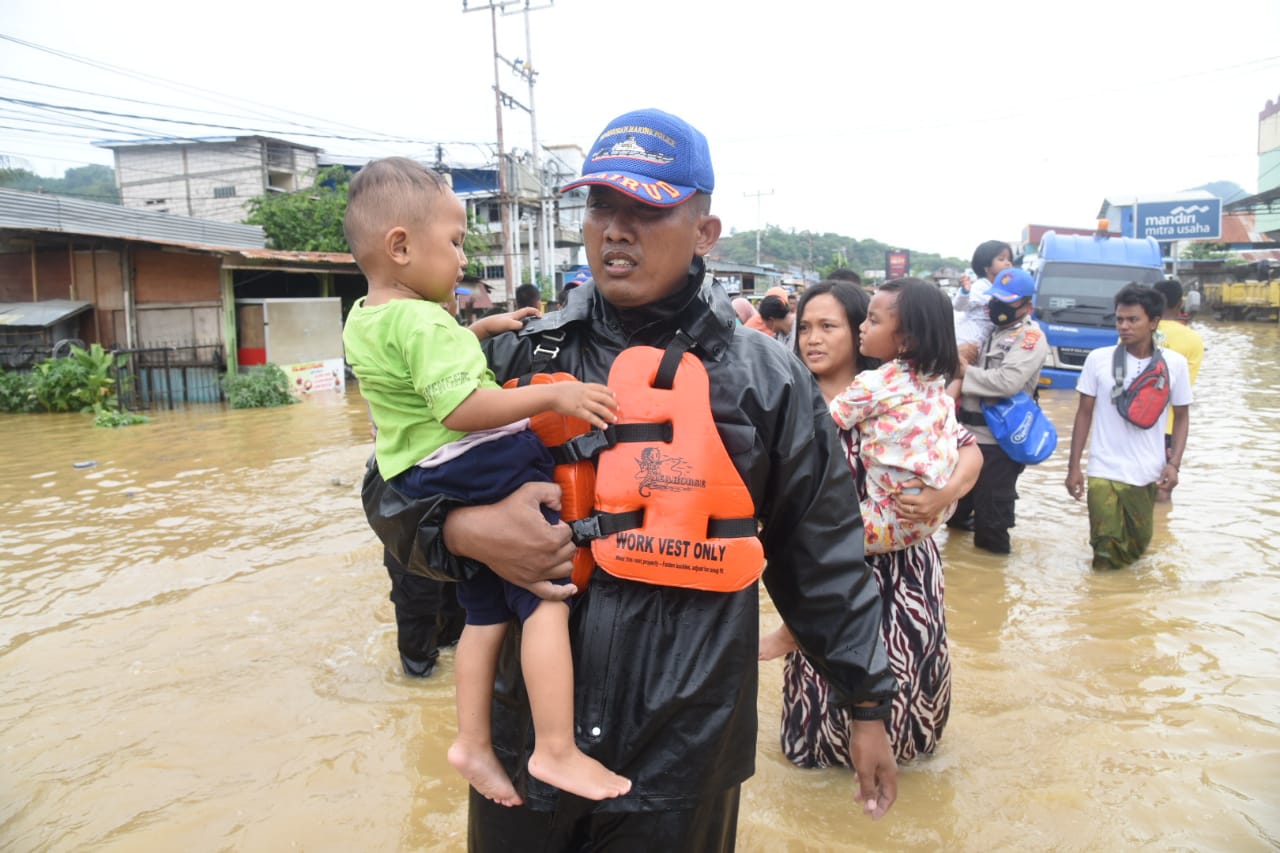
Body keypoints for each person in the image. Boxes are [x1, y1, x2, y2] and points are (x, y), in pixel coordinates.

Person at [360, 109, 900, 850]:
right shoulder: (518, 358)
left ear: (704, 232)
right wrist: (461, 529)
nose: (616, 230)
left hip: (682, 755)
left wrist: (866, 704)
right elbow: (389, 487)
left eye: (645, 210)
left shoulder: (767, 380)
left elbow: (822, 554)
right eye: (600, 206)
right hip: (525, 745)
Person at [340, 157, 630, 807]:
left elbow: (414, 368)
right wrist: (553, 395)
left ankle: (472, 742)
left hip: (423, 477)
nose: (463, 258)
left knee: (484, 615)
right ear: (401, 246)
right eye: (455, 241)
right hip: (480, 466)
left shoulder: (365, 316)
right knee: (546, 598)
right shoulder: (423, 321)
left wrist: (473, 332)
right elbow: (461, 406)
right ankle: (555, 748)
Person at [760, 279, 982, 764]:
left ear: (863, 328)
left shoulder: (897, 392)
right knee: (819, 715)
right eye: (805, 328)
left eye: (829, 326)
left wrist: (944, 494)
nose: (813, 339)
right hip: (828, 574)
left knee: (906, 709)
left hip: (905, 575)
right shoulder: (789, 400)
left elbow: (969, 450)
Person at [829, 277, 963, 553]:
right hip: (939, 508)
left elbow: (831, 417)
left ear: (906, 339)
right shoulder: (933, 383)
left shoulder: (875, 384)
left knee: (813, 535)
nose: (862, 328)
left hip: (892, 517)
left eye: (873, 321)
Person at [1065, 284, 1192, 569]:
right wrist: (1074, 467)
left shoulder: (1174, 364)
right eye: (1120, 319)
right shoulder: (1098, 359)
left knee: (1137, 547)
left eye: (1133, 319)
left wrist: (1174, 464)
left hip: (1147, 472)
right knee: (1105, 547)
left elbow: (1182, 416)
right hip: (1103, 470)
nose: (1123, 326)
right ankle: (1101, 594)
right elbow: (1083, 413)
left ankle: (1125, 593)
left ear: (1154, 322)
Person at [948, 266, 1049, 555]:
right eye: (995, 299)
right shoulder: (987, 331)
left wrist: (965, 371)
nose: (997, 306)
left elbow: (1007, 382)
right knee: (954, 515)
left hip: (998, 443)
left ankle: (995, 578)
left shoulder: (1030, 337)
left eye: (1006, 302)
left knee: (991, 526)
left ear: (1027, 306)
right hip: (965, 437)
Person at [1151, 279, 1203, 503]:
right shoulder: (1193, 340)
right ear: (1180, 304)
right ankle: (1162, 523)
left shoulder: (1135, 331)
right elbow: (1184, 388)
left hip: (1134, 422)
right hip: (1171, 426)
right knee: (1163, 488)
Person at [384, 547, 464, 677]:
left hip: (455, 553)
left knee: (455, 622)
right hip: (411, 553)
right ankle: (419, 678)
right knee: (418, 659)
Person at [953, 240, 1014, 364]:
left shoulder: (1001, 288)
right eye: (1001, 259)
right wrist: (965, 292)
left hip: (984, 341)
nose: (1007, 263)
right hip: (968, 340)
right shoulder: (980, 287)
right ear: (986, 266)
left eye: (1009, 259)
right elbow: (959, 306)